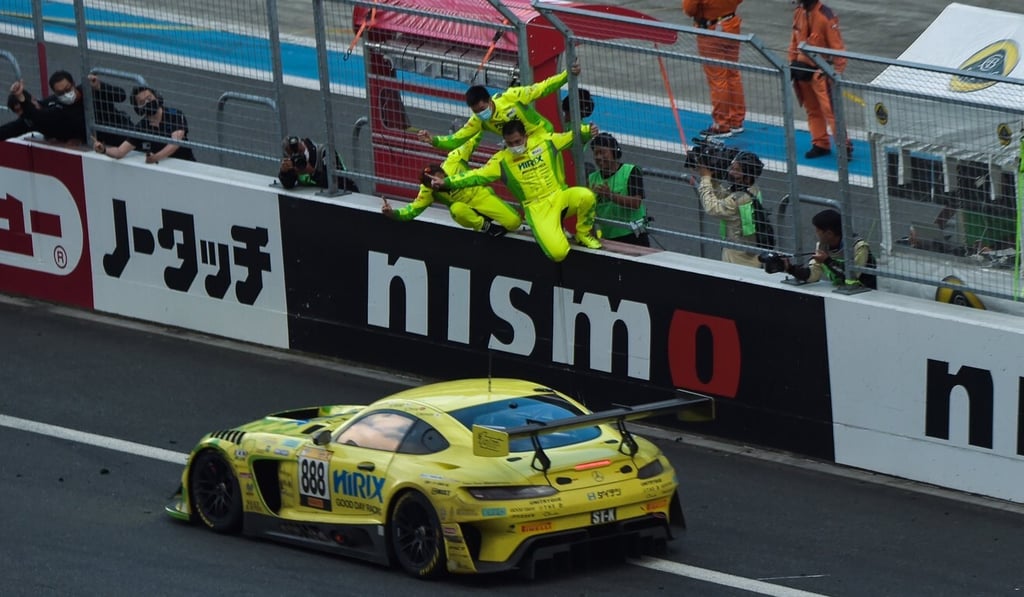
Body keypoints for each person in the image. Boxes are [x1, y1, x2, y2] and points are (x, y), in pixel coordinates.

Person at [429, 119, 601, 262]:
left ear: (525, 136)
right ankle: (548, 231)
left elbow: (570, 137)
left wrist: (587, 130)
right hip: (537, 209)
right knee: (558, 254)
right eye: (509, 143)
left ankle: (583, 233)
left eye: (518, 141)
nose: (514, 146)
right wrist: (447, 182)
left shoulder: (545, 141)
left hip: (559, 196)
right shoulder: (501, 161)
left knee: (586, 196)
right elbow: (475, 175)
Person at [417, 61, 582, 151]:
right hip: (517, 146)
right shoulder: (478, 120)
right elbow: (456, 140)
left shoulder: (511, 96)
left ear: (489, 101)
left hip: (542, 135)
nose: (481, 114)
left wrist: (567, 74)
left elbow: (542, 88)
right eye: (476, 112)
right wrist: (434, 140)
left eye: (482, 109)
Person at [382, 133, 520, 235]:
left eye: (436, 180)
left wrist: (484, 121)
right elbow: (412, 210)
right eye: (431, 184)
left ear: (442, 173)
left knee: (514, 222)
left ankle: (489, 214)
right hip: (465, 210)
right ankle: (486, 227)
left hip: (481, 197)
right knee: (456, 209)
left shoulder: (454, 160)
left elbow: (471, 138)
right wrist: (393, 213)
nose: (435, 184)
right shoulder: (427, 191)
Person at [789, 0, 851, 159]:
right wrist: (792, 64)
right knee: (812, 110)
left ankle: (844, 146)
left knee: (831, 111)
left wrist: (835, 73)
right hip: (802, 72)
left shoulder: (826, 16)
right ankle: (820, 143)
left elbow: (838, 49)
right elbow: (794, 41)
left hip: (821, 73)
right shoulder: (799, 12)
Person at [683, 0, 746, 139]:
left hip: (711, 30)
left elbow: (689, 9)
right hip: (731, 24)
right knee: (732, 74)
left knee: (718, 78)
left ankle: (721, 124)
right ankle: (736, 120)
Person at [93, 86, 196, 162]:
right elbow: (120, 152)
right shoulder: (141, 128)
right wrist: (104, 150)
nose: (147, 103)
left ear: (157, 97)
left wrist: (155, 157)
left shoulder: (175, 115)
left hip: (186, 164)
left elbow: (175, 143)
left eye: (149, 98)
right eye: (142, 102)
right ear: (138, 109)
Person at [698, 150, 765, 267]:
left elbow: (712, 208)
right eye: (732, 167)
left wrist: (705, 179)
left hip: (739, 257)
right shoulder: (751, 189)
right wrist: (713, 180)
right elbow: (724, 197)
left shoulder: (740, 198)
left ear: (747, 177)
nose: (730, 171)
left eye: (736, 170)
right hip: (748, 249)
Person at [782, 208, 876, 288]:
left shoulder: (859, 247)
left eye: (818, 230)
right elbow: (813, 275)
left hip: (864, 292)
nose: (816, 233)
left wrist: (827, 261)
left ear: (829, 234)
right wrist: (791, 269)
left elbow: (852, 276)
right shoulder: (822, 246)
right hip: (841, 291)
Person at [587, 132, 649, 247]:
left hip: (634, 235)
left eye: (603, 152)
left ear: (614, 153)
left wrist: (610, 195)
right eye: (596, 153)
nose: (599, 157)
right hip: (608, 238)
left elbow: (636, 203)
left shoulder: (631, 171)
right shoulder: (592, 179)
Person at [10, 71, 85, 145]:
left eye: (68, 89)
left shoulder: (88, 92)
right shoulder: (54, 109)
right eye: (60, 93)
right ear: (55, 93)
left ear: (74, 84)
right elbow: (9, 129)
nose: (66, 94)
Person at [278, 135, 359, 192]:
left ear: (302, 142)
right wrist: (284, 172)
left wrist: (312, 172)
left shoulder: (324, 152)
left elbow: (335, 182)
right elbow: (288, 185)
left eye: (300, 151)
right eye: (293, 155)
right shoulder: (295, 161)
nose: (299, 156)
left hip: (346, 192)